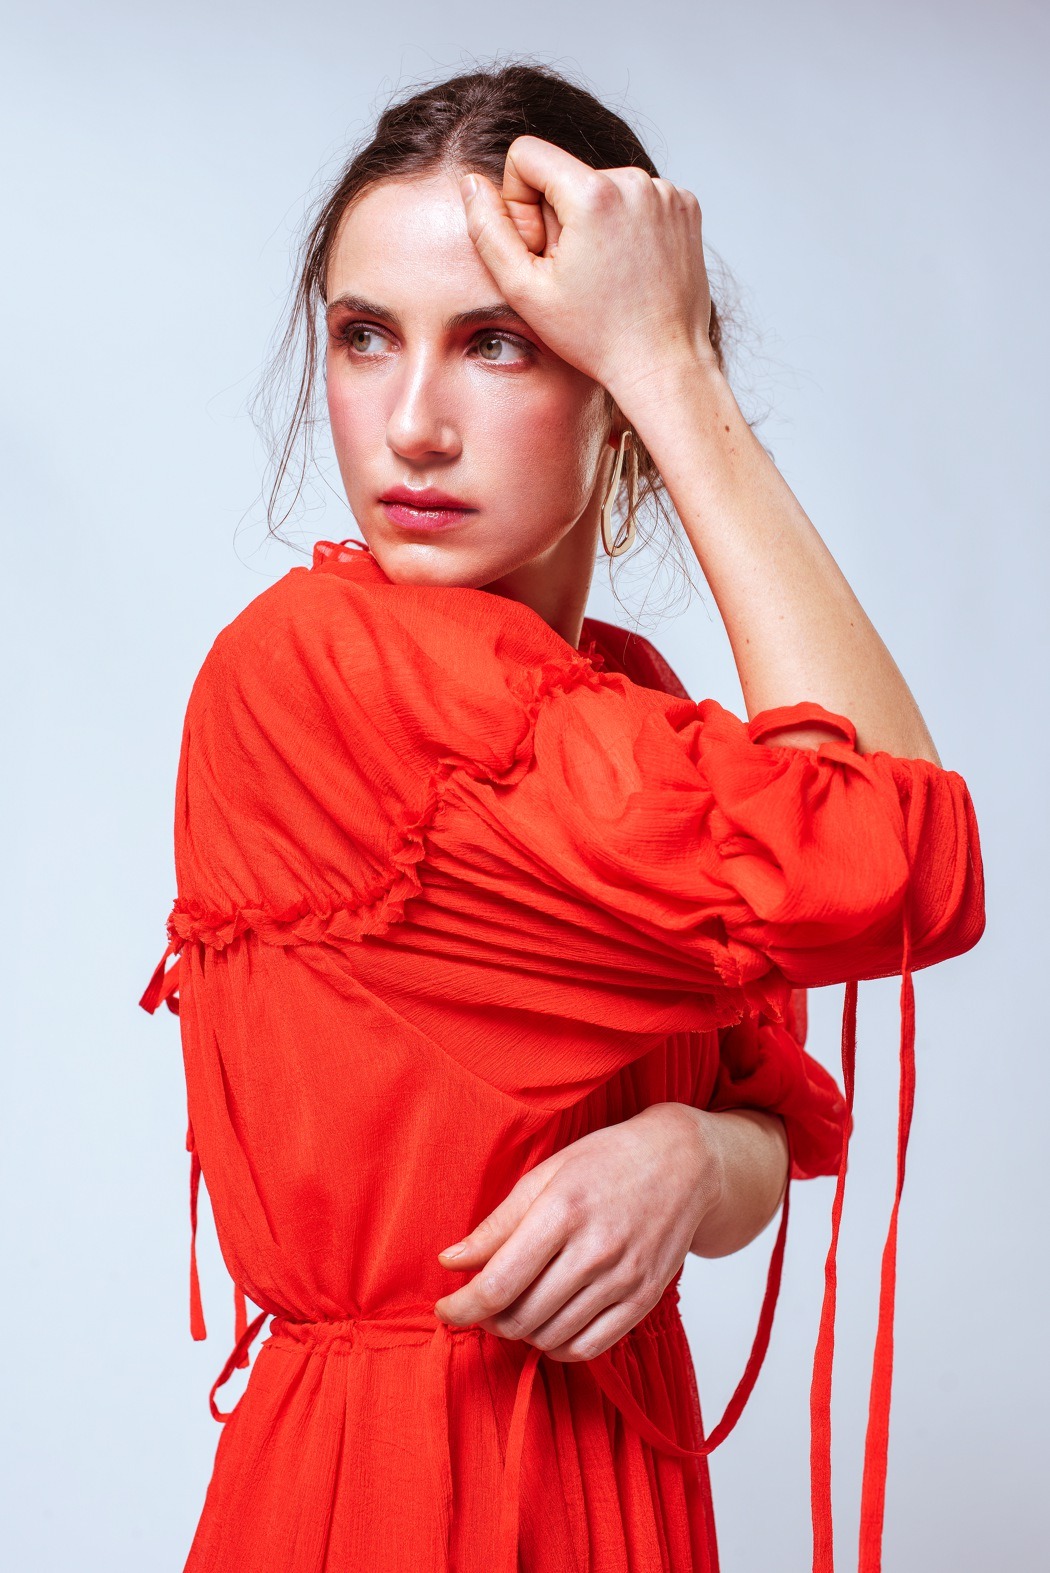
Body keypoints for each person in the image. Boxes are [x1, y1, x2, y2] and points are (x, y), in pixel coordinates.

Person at [138, 62, 985, 1573]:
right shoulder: (319, 671)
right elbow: (891, 861)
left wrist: (687, 1153)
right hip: (394, 1501)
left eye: (499, 343)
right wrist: (680, 377)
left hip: (612, 1479)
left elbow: (767, 1109)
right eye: (363, 336)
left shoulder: (623, 704)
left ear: (606, 390)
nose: (411, 425)